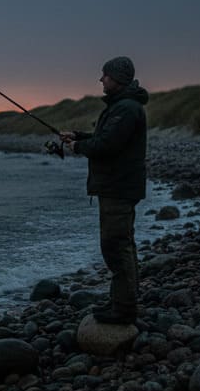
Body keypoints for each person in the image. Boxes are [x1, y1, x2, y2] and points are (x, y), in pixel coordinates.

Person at [61, 56, 149, 324]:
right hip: (119, 186)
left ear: (117, 78)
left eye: (105, 75)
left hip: (118, 188)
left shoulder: (126, 109)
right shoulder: (123, 106)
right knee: (122, 245)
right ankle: (122, 301)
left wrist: (78, 147)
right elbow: (106, 138)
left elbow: (107, 146)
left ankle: (124, 310)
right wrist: (79, 136)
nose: (101, 79)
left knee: (115, 247)